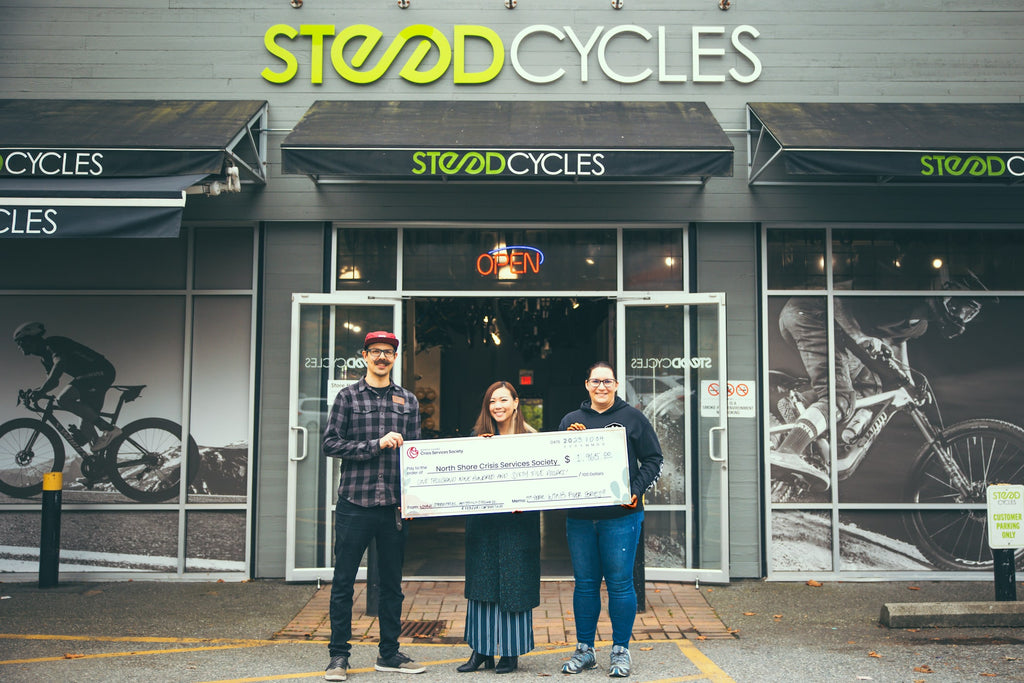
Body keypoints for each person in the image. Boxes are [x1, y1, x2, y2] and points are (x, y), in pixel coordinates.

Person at [771, 269, 989, 490]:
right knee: (839, 397)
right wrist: (859, 336)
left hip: (831, 330)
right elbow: (836, 294)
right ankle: (789, 450)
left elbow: (897, 341)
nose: (964, 317)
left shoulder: (919, 325)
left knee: (871, 385)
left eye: (971, 313)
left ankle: (800, 405)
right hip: (809, 315)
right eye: (965, 309)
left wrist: (908, 383)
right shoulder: (900, 289)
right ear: (948, 297)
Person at [321, 331, 423, 682]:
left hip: (393, 506)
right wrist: (375, 445)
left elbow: (416, 455)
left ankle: (389, 654)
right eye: (376, 351)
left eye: (389, 352)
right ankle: (338, 656)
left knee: (392, 584)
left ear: (396, 357)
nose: (382, 357)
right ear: (364, 355)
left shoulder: (408, 400)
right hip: (355, 502)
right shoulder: (347, 397)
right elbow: (331, 444)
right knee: (344, 582)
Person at [556, 362, 663, 678]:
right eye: (595, 381)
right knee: (585, 585)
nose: (601, 386)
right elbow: (557, 463)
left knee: (619, 584)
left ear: (616, 385)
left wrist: (636, 489)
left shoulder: (632, 418)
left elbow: (654, 459)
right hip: (580, 518)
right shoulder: (571, 421)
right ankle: (585, 651)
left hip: (621, 516)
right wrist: (567, 440)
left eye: (607, 381)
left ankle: (620, 651)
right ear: (586, 385)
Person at [457, 381, 540, 676]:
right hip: (484, 523)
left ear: (516, 403)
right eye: (492, 401)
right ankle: (481, 651)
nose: (498, 406)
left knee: (514, 584)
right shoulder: (476, 437)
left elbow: (544, 483)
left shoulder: (532, 438)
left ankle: (511, 652)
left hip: (519, 524)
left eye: (504, 400)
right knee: (483, 584)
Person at [13, 321, 122, 451]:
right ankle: (103, 465)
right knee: (87, 430)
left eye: (20, 342)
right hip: (89, 377)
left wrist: (41, 391)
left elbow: (59, 365)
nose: (19, 346)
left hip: (101, 371)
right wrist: (36, 391)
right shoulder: (44, 358)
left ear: (31, 338)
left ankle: (109, 429)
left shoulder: (52, 343)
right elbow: (53, 381)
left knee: (63, 400)